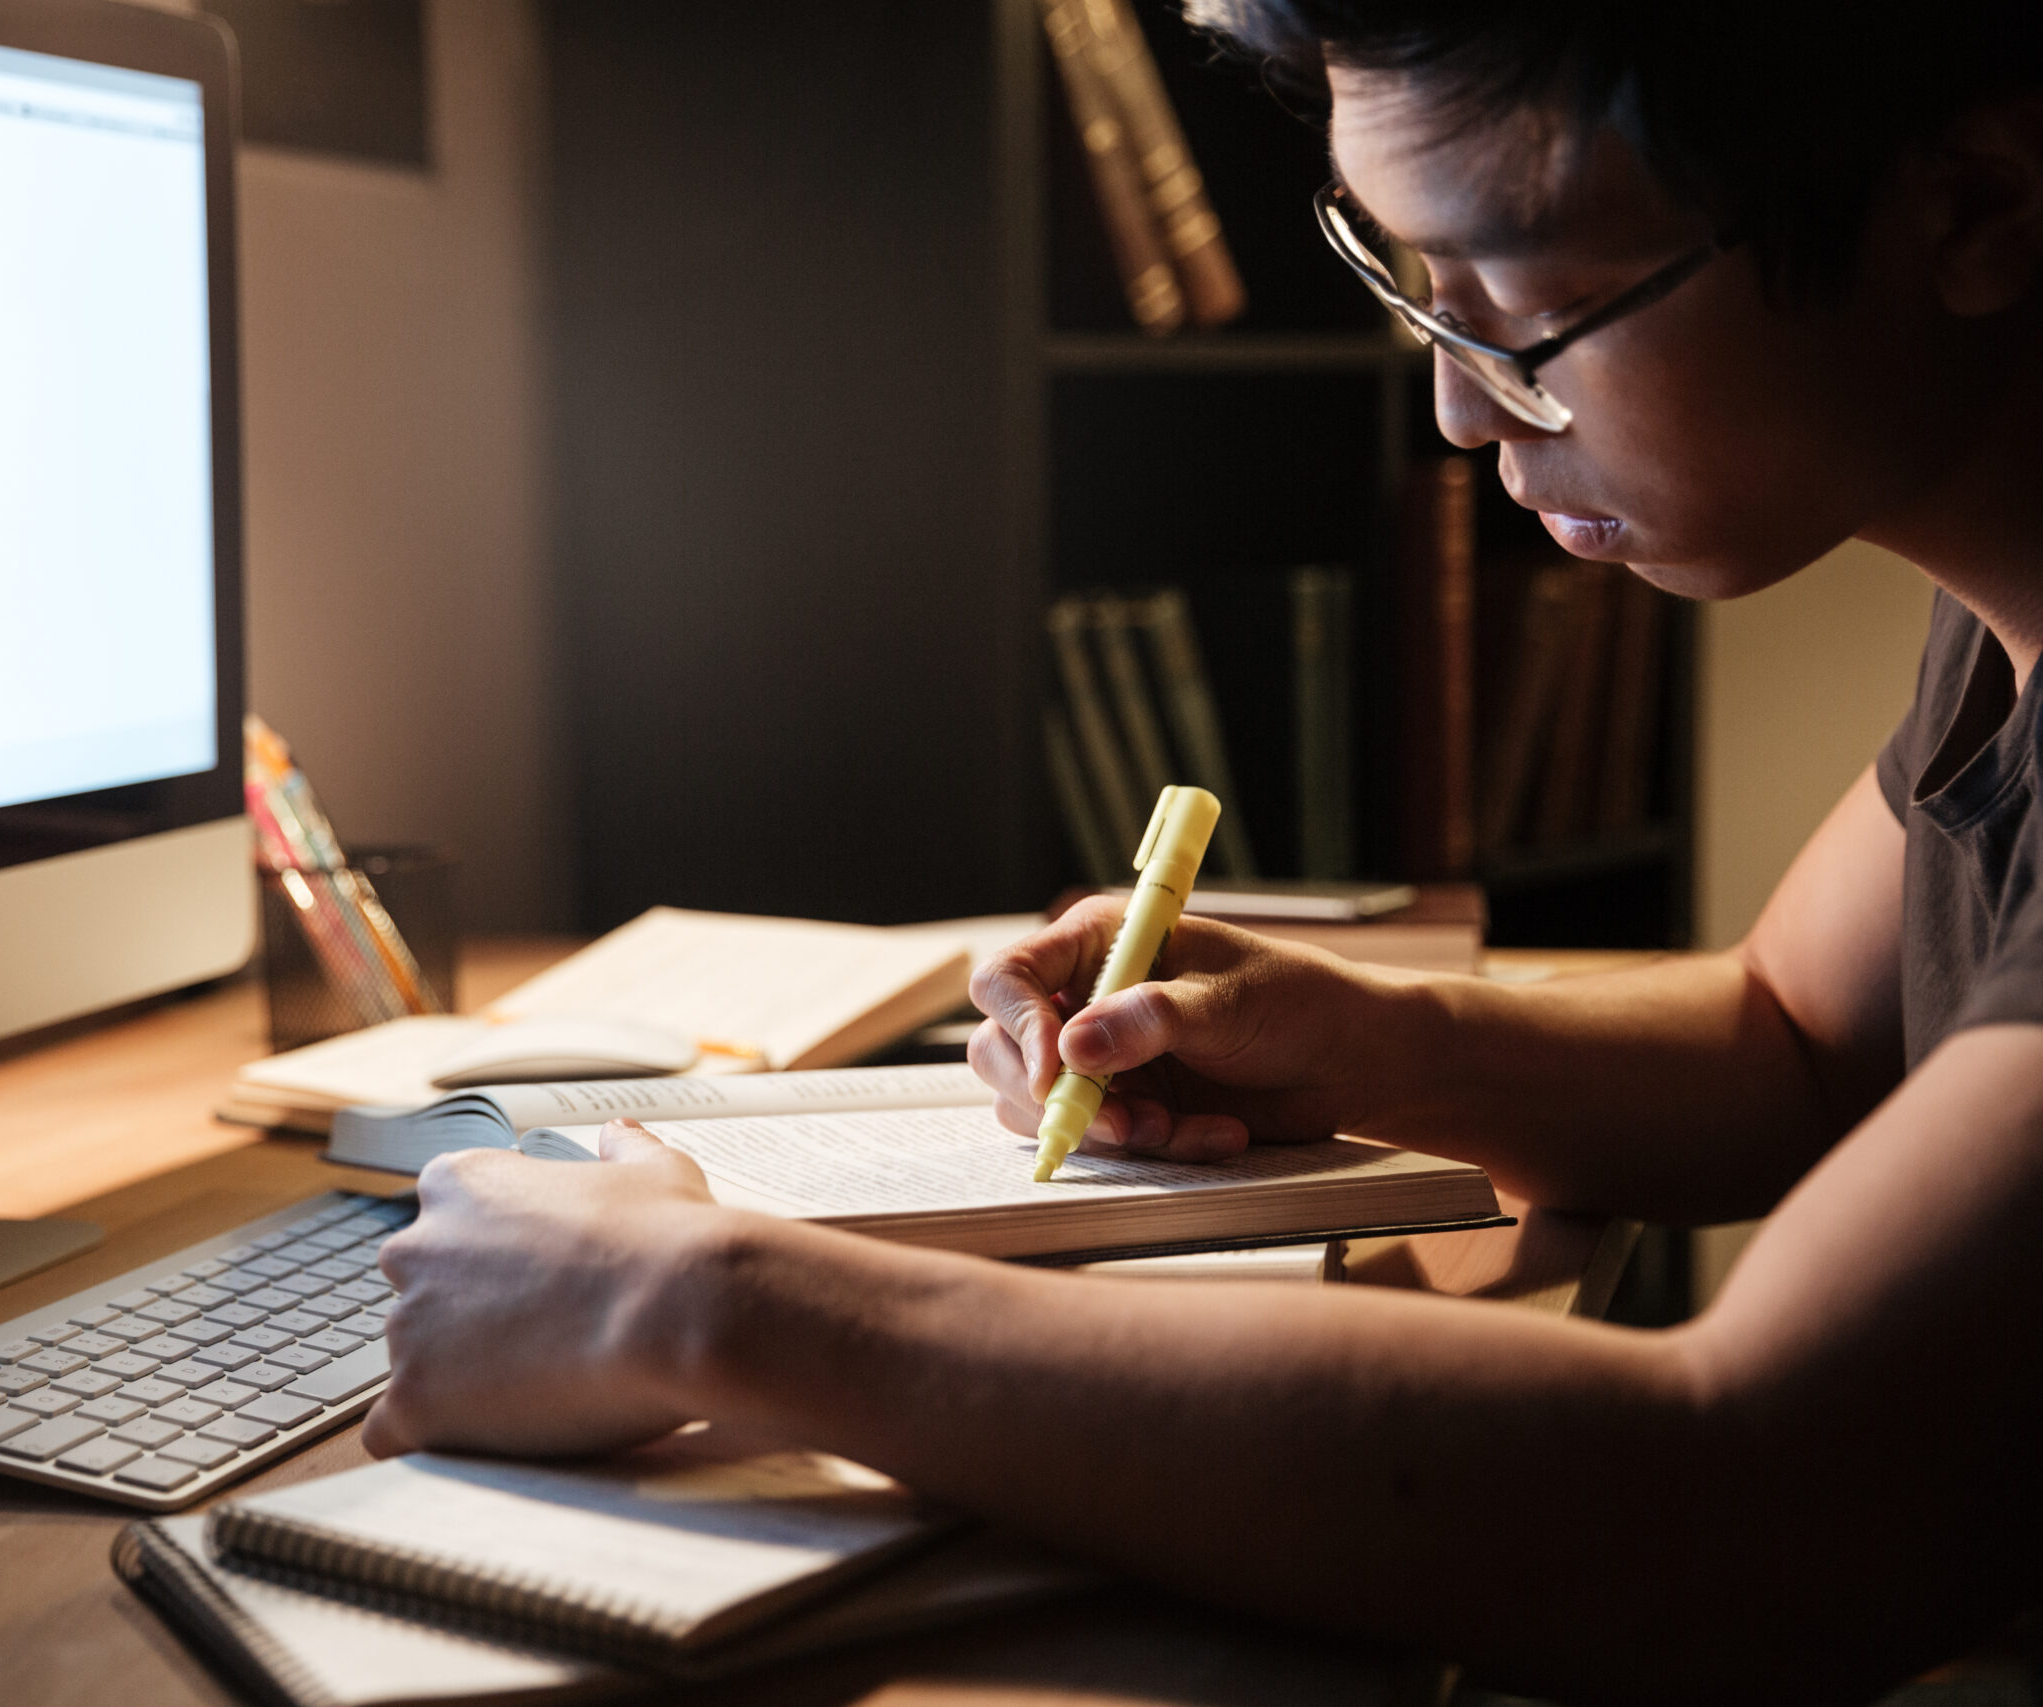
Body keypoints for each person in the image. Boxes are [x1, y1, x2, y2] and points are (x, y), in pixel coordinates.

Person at [362, 3, 2043, 1698]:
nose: (1461, 412)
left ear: (1971, 211)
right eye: (1409, 285)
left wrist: (699, 1307)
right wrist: (1368, 1039)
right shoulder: (2000, 622)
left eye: (1527, 311)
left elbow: (1758, 1508)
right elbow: (1806, 1043)